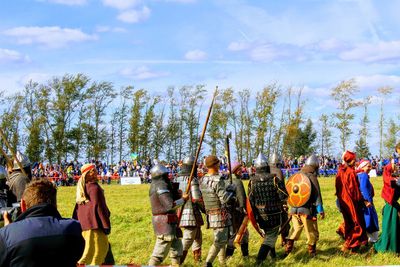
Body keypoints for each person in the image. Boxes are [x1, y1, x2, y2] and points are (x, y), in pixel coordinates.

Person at [0, 179, 85, 266]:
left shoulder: (7, 235)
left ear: (22, 205)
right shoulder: (73, 228)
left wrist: (7, 232)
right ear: (55, 204)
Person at [248, 153, 288, 265]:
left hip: (260, 215)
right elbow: (283, 195)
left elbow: (250, 200)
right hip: (274, 214)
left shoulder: (252, 181)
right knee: (270, 238)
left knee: (268, 235)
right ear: (266, 166)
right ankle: (259, 261)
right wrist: (282, 203)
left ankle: (273, 256)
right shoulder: (274, 179)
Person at [148, 163, 188, 266]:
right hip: (164, 222)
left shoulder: (159, 185)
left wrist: (177, 194)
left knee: (176, 250)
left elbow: (170, 199)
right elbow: (170, 206)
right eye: (166, 174)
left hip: (170, 221)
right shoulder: (160, 186)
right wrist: (183, 200)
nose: (168, 176)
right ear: (162, 175)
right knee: (160, 252)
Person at [285, 154, 325, 257]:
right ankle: (312, 253)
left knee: (295, 229)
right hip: (307, 211)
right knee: (311, 232)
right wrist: (320, 209)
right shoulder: (311, 176)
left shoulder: (297, 174)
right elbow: (317, 196)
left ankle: (288, 249)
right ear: (315, 166)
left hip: (294, 209)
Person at [200, 155, 236, 267]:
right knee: (220, 240)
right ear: (215, 165)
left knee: (222, 238)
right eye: (218, 163)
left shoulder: (203, 179)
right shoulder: (218, 179)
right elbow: (224, 198)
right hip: (220, 213)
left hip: (211, 213)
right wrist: (231, 191)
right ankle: (208, 262)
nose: (220, 165)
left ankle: (222, 262)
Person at [73, 163, 111, 265]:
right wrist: (106, 225)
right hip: (95, 228)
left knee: (87, 254)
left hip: (84, 227)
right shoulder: (94, 188)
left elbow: (77, 210)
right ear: (89, 174)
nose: (96, 172)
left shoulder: (83, 188)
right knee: (96, 254)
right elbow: (99, 207)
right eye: (94, 171)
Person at [335, 150, 368, 253]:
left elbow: (337, 187)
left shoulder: (340, 171)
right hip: (352, 203)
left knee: (349, 221)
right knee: (356, 223)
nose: (355, 161)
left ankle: (348, 242)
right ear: (350, 160)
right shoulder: (351, 172)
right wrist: (362, 201)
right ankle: (352, 246)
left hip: (343, 201)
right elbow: (355, 190)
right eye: (354, 159)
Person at [175, 156, 204, 264]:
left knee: (198, 237)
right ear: (193, 167)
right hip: (191, 212)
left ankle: (198, 261)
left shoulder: (177, 178)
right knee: (188, 238)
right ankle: (177, 261)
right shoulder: (192, 179)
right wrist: (205, 210)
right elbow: (197, 199)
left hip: (181, 210)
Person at [373, 157, 400, 253]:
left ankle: (394, 246)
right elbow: (390, 182)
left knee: (394, 226)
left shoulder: (394, 178)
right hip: (390, 205)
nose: (396, 169)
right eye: (394, 168)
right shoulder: (389, 179)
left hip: (394, 205)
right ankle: (388, 247)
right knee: (390, 226)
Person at [225, 161, 249, 258]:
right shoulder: (237, 182)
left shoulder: (226, 181)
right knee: (242, 233)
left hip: (228, 212)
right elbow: (242, 199)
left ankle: (228, 257)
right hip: (237, 212)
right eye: (238, 169)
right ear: (234, 171)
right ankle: (243, 255)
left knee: (232, 233)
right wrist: (245, 210)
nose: (241, 171)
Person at [269, 152, 290, 246]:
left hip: (267, 202)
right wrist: (284, 201)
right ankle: (284, 241)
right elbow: (281, 189)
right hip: (278, 202)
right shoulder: (278, 171)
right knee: (284, 222)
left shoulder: (266, 169)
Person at [356, 159, 379, 243]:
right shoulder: (364, 175)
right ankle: (373, 239)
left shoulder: (358, 175)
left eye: (370, 166)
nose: (370, 168)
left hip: (361, 202)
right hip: (367, 202)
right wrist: (368, 201)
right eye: (368, 166)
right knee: (371, 219)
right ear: (362, 166)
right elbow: (363, 188)